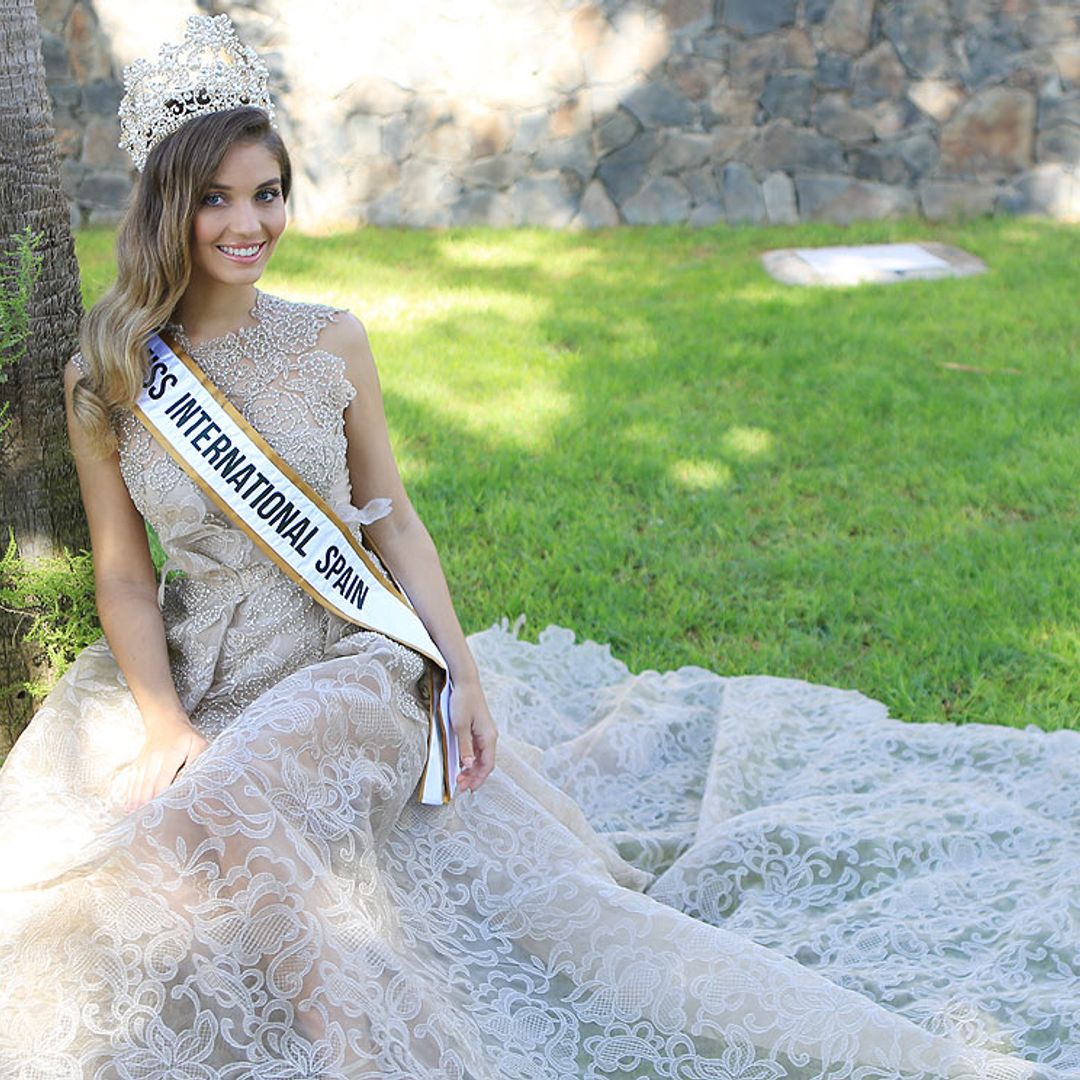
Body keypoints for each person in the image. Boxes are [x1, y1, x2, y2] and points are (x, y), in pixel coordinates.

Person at [0, 14, 1076, 1080]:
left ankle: (351, 1054)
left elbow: (396, 520)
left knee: (229, 798)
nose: (250, 222)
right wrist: (161, 718)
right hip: (210, 665)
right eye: (218, 199)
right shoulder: (114, 371)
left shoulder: (330, 339)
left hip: (350, 652)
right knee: (154, 844)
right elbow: (125, 572)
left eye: (268, 192)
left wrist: (456, 670)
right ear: (168, 207)